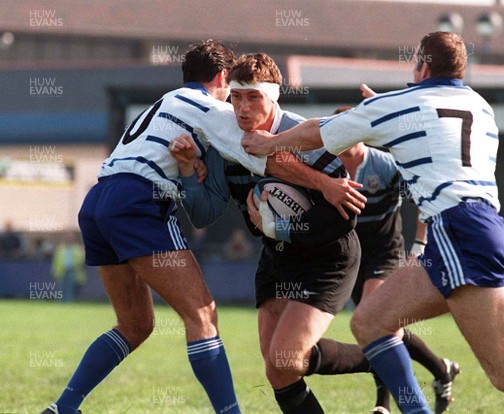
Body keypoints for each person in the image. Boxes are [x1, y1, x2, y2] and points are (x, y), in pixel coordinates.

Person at [241, 32, 504, 413]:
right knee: (371, 322)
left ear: (422, 65)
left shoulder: (404, 102)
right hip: (484, 227)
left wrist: (267, 145)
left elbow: (318, 133)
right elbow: (433, 139)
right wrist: (384, 113)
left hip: (456, 230)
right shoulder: (479, 105)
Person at [42, 40, 247, 414]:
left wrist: (194, 165)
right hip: (139, 201)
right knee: (202, 315)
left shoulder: (166, 102)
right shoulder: (210, 106)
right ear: (222, 77)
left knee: (135, 324)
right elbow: (253, 142)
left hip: (99, 200)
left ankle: (64, 407)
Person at [170, 52, 376, 414]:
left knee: (285, 358)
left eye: (254, 97)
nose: (242, 108)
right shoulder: (226, 141)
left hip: (328, 258)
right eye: (235, 97)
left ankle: (380, 356)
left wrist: (278, 227)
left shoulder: (304, 136)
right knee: (279, 370)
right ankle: (381, 355)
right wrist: (189, 170)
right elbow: (246, 214)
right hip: (277, 260)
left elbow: (344, 216)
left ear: (274, 97)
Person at [336, 104, 459, 414]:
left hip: (385, 250)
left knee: (372, 320)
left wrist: (419, 244)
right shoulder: (327, 166)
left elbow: (423, 200)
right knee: (382, 325)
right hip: (351, 255)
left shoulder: (385, 166)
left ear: (362, 133)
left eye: (352, 129)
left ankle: (383, 405)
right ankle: (441, 368)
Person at [51, 232, 87, 302]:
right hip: (62, 272)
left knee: (71, 291)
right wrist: (54, 272)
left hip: (74, 272)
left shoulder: (78, 249)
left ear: (74, 238)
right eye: (68, 237)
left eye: (70, 237)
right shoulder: (60, 249)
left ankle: (70, 305)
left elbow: (83, 261)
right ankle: (61, 306)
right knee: (61, 290)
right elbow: (56, 261)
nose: (69, 239)